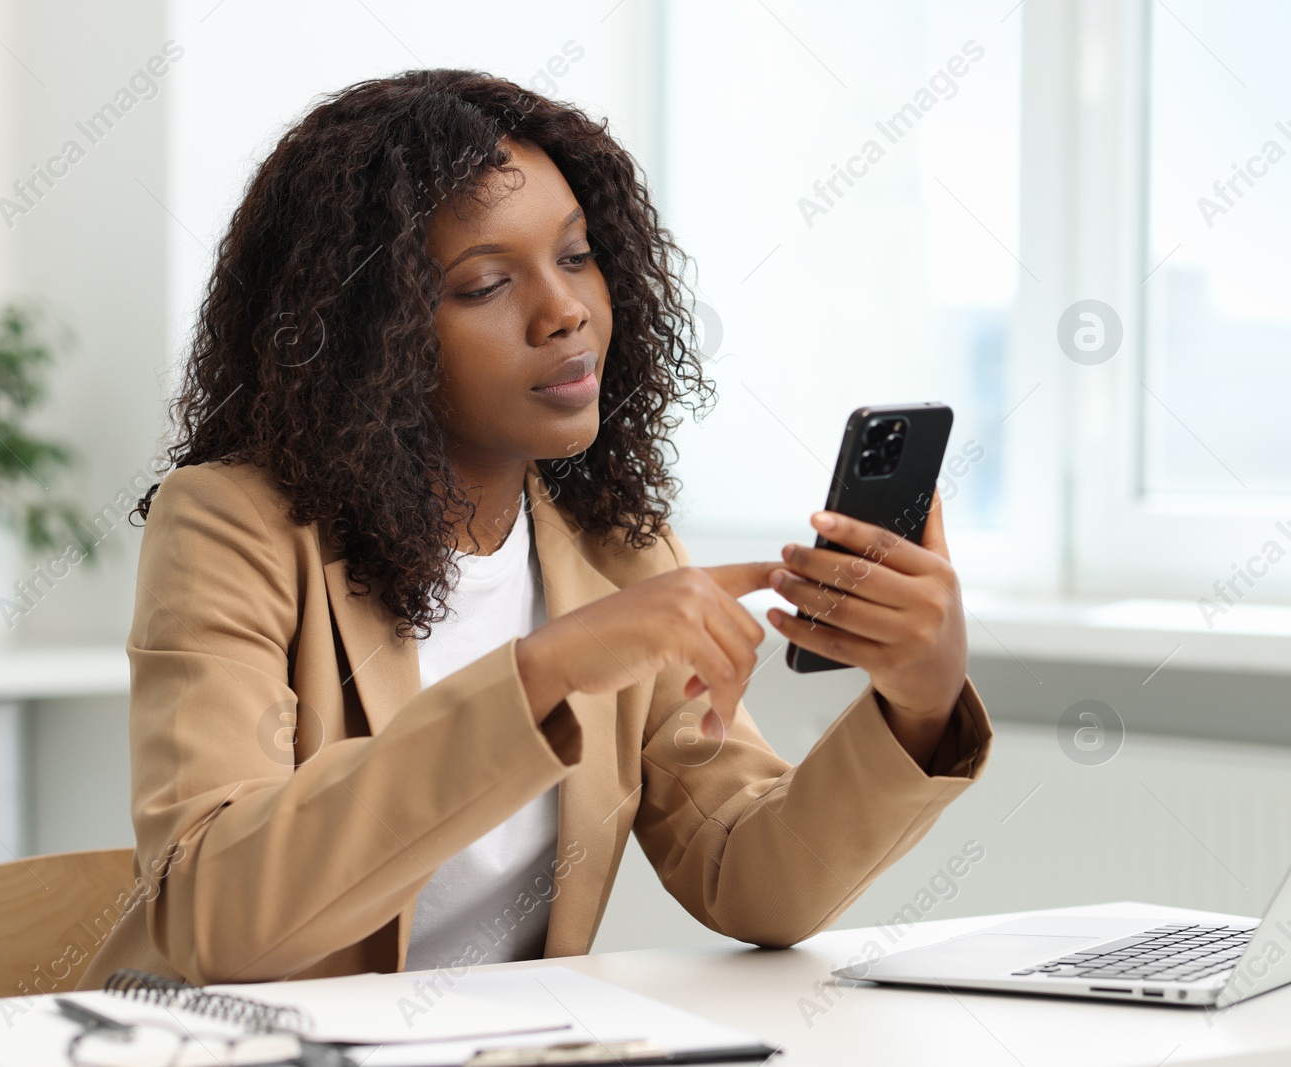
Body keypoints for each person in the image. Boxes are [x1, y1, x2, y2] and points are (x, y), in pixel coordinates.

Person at [79, 69, 991, 988]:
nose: (565, 312)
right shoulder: (232, 526)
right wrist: (544, 671)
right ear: (365, 334)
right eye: (483, 284)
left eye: (577, 255)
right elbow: (215, 915)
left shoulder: (618, 552)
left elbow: (750, 877)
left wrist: (918, 703)